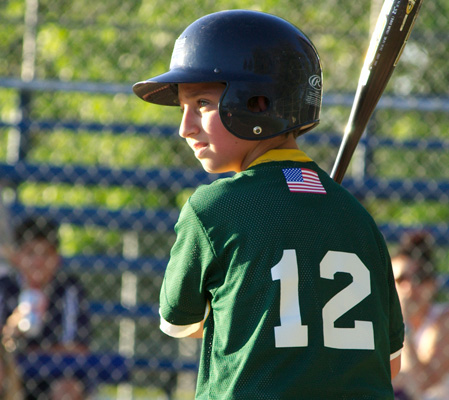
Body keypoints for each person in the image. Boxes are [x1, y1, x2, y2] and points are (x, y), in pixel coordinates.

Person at [133, 10, 404, 399]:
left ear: (258, 103)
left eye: (202, 103)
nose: (185, 127)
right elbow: (389, 363)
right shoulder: (358, 218)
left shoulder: (214, 209)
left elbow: (179, 321)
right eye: (183, 108)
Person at [0, 216, 92, 400]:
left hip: (56, 375)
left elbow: (78, 347)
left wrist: (30, 353)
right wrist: (11, 330)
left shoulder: (68, 289)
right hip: (9, 370)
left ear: (57, 259)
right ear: (17, 257)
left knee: (68, 389)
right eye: (30, 254)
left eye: (46, 254)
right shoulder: (5, 287)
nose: (38, 262)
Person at [392, 231, 449, 400]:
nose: (410, 287)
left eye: (419, 277)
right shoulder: (379, 322)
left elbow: (423, 384)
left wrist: (402, 325)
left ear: (433, 284)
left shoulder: (443, 319)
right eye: (401, 279)